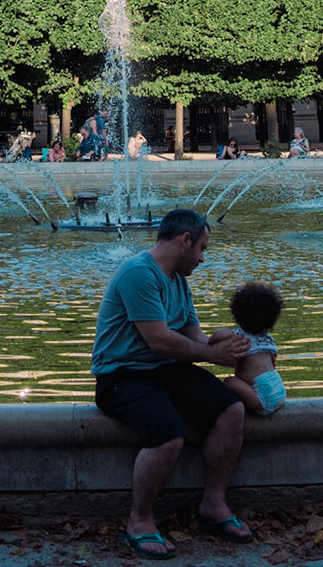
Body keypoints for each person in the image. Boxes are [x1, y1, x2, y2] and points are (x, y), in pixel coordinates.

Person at [91, 210, 250, 559]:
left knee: (231, 410)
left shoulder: (177, 280)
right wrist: (212, 355)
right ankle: (139, 521)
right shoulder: (138, 273)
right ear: (185, 240)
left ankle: (213, 504)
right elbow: (160, 340)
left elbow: (193, 336)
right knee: (167, 434)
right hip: (122, 375)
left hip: (166, 369)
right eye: (202, 248)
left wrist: (229, 347)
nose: (203, 258)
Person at [219, 282, 285, 417]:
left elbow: (217, 336)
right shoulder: (268, 339)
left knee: (229, 381)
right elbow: (273, 362)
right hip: (279, 390)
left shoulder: (238, 336)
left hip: (262, 399)